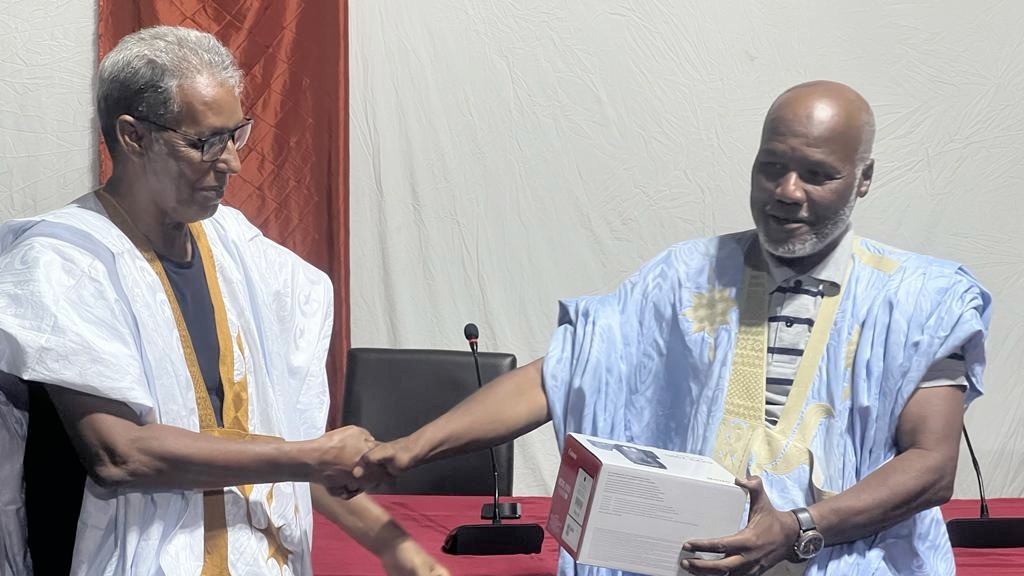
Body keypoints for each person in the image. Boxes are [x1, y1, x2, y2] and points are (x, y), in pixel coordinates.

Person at [360, 81, 991, 575]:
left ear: (864, 178)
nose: (787, 191)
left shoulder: (920, 300)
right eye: (771, 167)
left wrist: (799, 527)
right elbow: (556, 378)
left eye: (818, 174)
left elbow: (931, 465)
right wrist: (412, 447)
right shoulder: (686, 277)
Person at [0, 26, 447, 576]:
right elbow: (120, 454)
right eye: (206, 142)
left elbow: (279, 436)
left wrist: (394, 546)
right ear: (133, 136)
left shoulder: (240, 251)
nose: (232, 162)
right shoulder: (63, 262)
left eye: (236, 135)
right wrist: (311, 456)